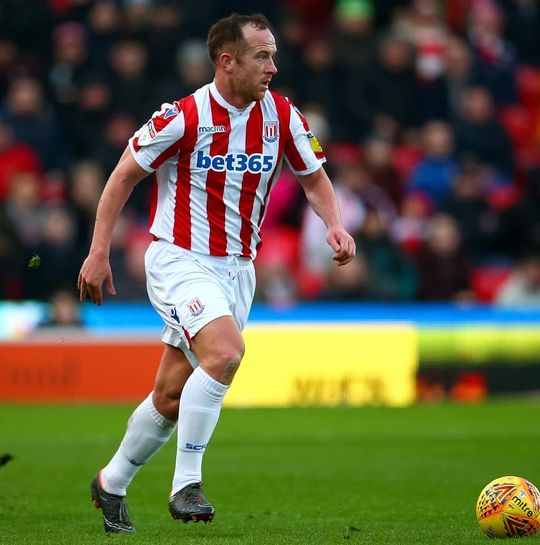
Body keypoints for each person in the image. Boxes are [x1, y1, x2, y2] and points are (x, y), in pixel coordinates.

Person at [77, 13, 356, 534]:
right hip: (180, 259)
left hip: (237, 271)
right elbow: (120, 179)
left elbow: (315, 179)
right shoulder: (183, 117)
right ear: (227, 61)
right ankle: (187, 484)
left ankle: (110, 482)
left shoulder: (283, 116)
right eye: (262, 56)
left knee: (170, 395)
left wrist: (334, 224)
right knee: (225, 353)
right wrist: (98, 253)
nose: (273, 66)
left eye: (273, 54)